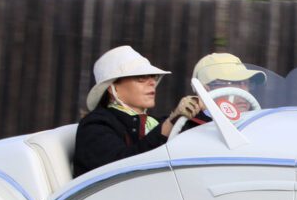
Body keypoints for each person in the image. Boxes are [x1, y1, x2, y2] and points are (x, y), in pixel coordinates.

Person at [73, 46, 201, 176]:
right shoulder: (94, 126)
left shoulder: (154, 122)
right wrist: (170, 123)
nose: (152, 82)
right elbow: (123, 168)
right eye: (141, 77)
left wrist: (203, 106)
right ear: (113, 88)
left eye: (153, 76)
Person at [191, 51, 266, 121]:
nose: (244, 90)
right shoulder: (191, 130)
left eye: (246, 83)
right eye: (234, 83)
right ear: (205, 91)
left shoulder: (260, 124)